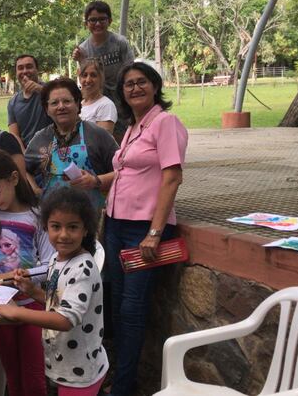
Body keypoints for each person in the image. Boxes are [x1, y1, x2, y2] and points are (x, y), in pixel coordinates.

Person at [105, 62, 188, 396]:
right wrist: (95, 181)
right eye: (128, 84)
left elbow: (172, 176)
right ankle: (122, 377)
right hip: (116, 224)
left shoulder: (165, 123)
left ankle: (123, 388)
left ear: (155, 86)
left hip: (142, 230)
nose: (135, 88)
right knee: (116, 304)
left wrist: (154, 232)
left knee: (132, 308)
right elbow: (127, 172)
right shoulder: (132, 127)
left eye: (141, 82)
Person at [0, 187, 108, 396]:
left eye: (72, 227)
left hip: (81, 371)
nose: (63, 235)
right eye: (56, 226)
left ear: (85, 230)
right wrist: (32, 290)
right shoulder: (57, 258)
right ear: (45, 227)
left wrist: (17, 313)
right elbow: (58, 301)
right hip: (68, 364)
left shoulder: (83, 268)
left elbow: (66, 319)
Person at [0, 149, 54, 396]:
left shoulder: (36, 216)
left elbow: (49, 267)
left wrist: (5, 277)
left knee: (34, 380)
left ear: (14, 179)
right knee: (12, 375)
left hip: (31, 306)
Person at [24, 77, 119, 210]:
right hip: (52, 220)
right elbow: (23, 169)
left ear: (77, 104)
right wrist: (35, 190)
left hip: (93, 219)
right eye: (54, 103)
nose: (61, 106)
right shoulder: (40, 138)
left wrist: (95, 181)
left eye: (67, 101)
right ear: (47, 109)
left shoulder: (98, 135)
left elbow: (123, 172)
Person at [73, 0, 135, 140]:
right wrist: (80, 60)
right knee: (102, 139)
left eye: (102, 19)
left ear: (110, 21)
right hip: (98, 104)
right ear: (86, 23)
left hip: (122, 101)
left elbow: (130, 72)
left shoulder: (120, 43)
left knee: (124, 139)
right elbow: (87, 78)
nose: (98, 24)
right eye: (93, 20)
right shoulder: (84, 49)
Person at [7, 55, 52, 149]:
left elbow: (61, 101)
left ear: (37, 70)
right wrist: (24, 156)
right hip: (28, 154)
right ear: (16, 73)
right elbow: (15, 136)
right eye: (20, 68)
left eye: (29, 67)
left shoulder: (51, 89)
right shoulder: (12, 103)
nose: (24, 71)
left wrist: (41, 90)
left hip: (53, 151)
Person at [79, 58, 118, 134]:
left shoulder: (106, 105)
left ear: (101, 78)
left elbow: (101, 141)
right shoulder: (79, 104)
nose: (88, 80)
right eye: (84, 75)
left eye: (93, 75)